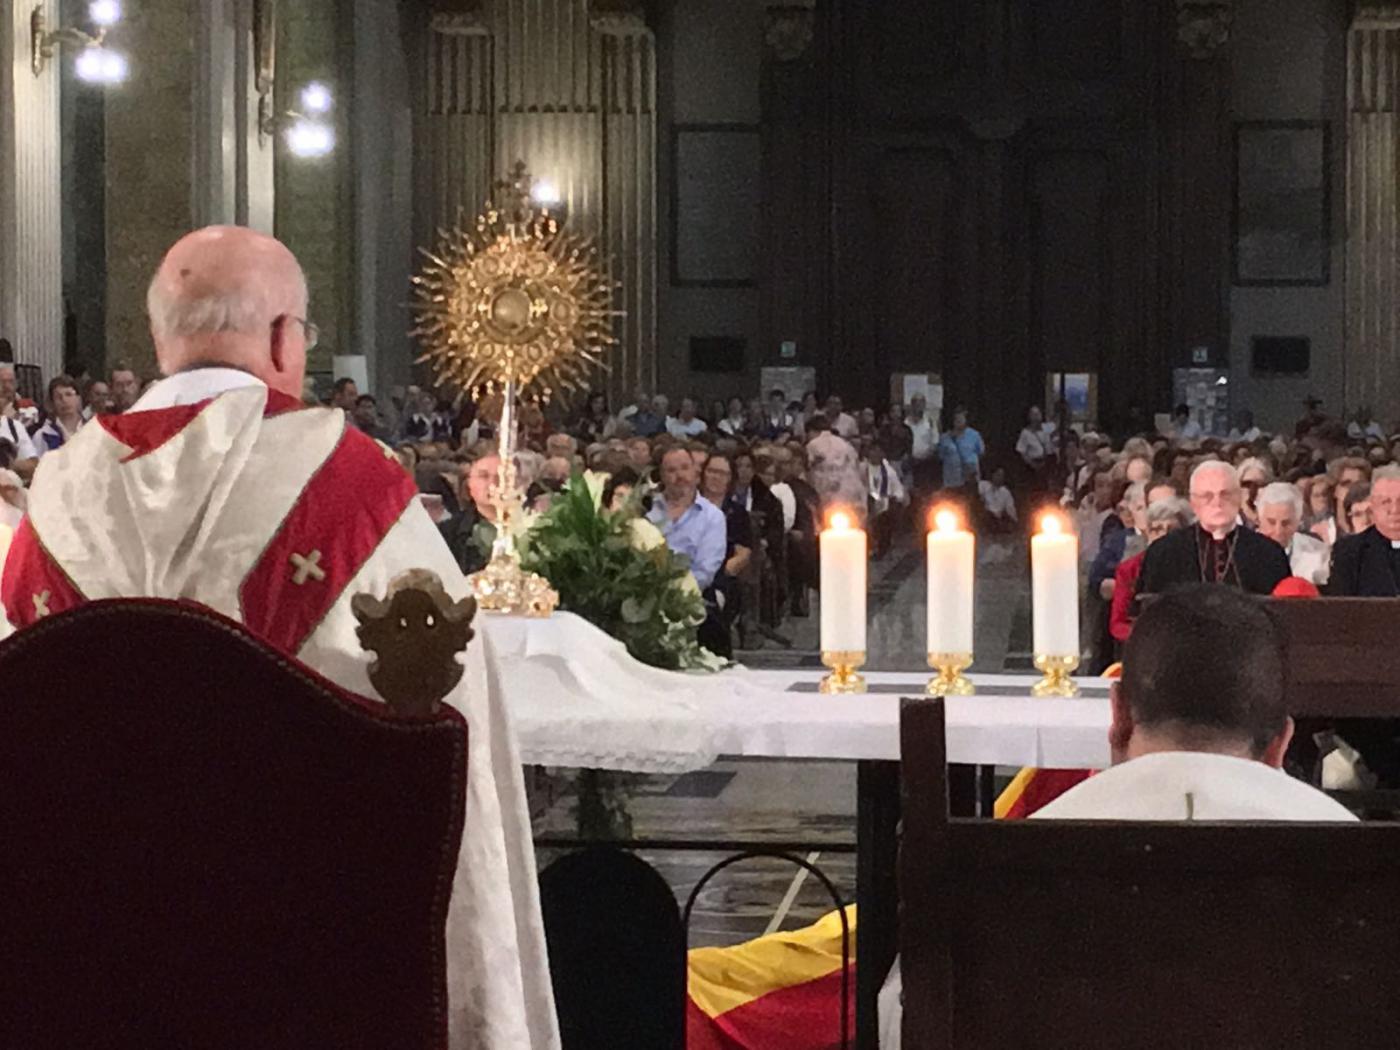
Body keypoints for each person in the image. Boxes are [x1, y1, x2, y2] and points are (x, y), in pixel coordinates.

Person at [0, 226, 559, 1050]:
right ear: (279, 339)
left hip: (84, 964)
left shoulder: (56, 497)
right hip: (311, 967)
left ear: (162, 339)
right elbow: (453, 743)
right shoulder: (354, 484)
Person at [878, 584, 1354, 1049]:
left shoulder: (1015, 858)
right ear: (1280, 745)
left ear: (1119, 717)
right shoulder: (1357, 859)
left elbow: (906, 1019)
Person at [1136, 461, 1290, 596]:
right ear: (1193, 502)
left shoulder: (1269, 553)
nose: (1217, 503)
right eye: (1207, 496)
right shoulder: (1163, 552)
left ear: (1238, 498)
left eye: (1225, 494)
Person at [1110, 496, 1193, 642]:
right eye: (1157, 530)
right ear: (1147, 533)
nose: (1164, 536)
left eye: (1172, 530)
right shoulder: (1129, 569)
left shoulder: (1195, 563)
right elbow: (1118, 623)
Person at [647, 446, 726, 590]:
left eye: (684, 468)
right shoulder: (646, 509)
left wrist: (670, 591)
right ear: (662, 476)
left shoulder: (712, 517)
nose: (679, 475)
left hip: (691, 597)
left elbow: (705, 572)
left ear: (695, 472)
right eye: (671, 470)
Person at [1256, 482, 1328, 587]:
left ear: (1298, 521)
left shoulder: (1318, 553)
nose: (1278, 531)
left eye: (1286, 523)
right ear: (1259, 519)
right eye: (1271, 522)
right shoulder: (1243, 551)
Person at [440, 454, 501, 576]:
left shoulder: (534, 529)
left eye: (500, 477)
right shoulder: (448, 532)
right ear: (469, 484)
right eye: (483, 476)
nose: (493, 484)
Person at [865, 441, 907, 560]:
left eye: (878, 451)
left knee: (883, 525)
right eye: (873, 451)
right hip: (868, 500)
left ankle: (882, 549)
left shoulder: (888, 471)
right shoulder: (863, 467)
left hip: (886, 502)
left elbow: (896, 487)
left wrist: (898, 498)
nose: (875, 454)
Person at [936, 407, 984, 500]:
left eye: (961, 419)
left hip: (969, 480)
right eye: (956, 419)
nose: (958, 421)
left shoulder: (974, 435)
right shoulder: (945, 438)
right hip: (951, 481)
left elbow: (981, 453)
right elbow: (940, 456)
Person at [0, 364, 38, 480]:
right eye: (1, 382)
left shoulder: (15, 427)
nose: (6, 387)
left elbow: (33, 466)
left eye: (10, 382)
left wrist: (8, 464)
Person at [34, 375, 85, 455]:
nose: (64, 400)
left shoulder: (93, 430)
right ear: (52, 403)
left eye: (69, 394)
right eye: (58, 397)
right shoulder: (43, 435)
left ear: (78, 398)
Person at [1015, 405, 1056, 489]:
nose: (1036, 417)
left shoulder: (1047, 428)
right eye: (1034, 414)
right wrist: (1032, 464)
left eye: (1038, 414)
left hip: (1048, 463)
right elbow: (1022, 452)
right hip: (1034, 466)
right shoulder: (1025, 433)